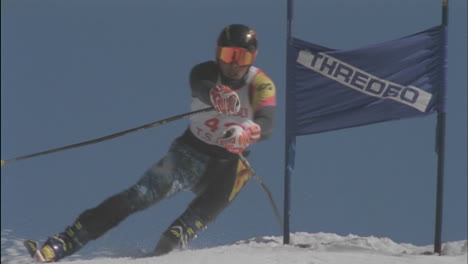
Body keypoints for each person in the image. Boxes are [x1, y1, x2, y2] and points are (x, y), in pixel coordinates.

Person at [25, 23, 276, 262]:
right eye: (228, 54)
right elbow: (201, 84)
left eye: (241, 57)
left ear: (253, 58)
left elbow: (267, 122)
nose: (233, 64)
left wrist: (247, 131)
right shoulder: (206, 71)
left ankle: (175, 239)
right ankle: (67, 239)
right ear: (217, 53)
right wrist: (215, 93)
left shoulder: (260, 84)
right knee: (139, 196)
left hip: (228, 164)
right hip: (190, 154)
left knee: (235, 179)